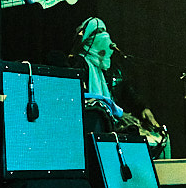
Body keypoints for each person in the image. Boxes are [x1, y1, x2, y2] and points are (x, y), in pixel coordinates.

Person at [68, 16, 168, 157]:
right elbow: (82, 99)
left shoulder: (113, 69)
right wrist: (117, 113)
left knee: (162, 140)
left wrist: (143, 108)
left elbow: (128, 91)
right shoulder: (78, 65)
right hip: (90, 125)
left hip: (115, 122)